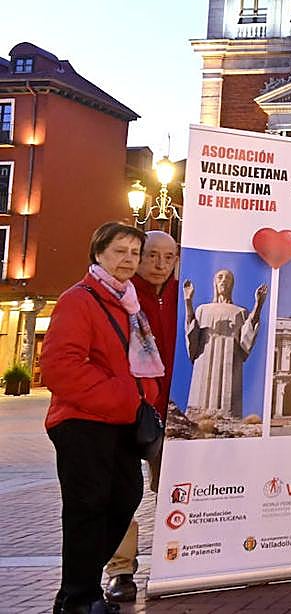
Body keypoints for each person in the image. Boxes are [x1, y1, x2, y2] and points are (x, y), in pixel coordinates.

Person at [42, 222, 164, 614]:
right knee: (87, 507)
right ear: (98, 254)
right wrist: (126, 398)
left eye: (134, 253)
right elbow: (60, 367)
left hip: (119, 422)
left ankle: (81, 587)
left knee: (125, 496)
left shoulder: (129, 302)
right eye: (119, 252)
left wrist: (141, 397)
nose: (128, 260)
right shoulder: (79, 300)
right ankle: (79, 598)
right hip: (82, 422)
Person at [103, 230, 178, 605]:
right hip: (128, 413)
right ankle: (120, 570)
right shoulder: (119, 295)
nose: (160, 265)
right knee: (122, 495)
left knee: (175, 493)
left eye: (168, 257)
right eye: (152, 256)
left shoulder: (186, 294)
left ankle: (175, 561)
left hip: (174, 417)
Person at [182, 268, 267, 417]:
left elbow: (247, 337)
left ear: (232, 285)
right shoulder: (203, 310)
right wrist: (188, 302)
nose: (223, 281)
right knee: (200, 403)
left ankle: (227, 419)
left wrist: (258, 305)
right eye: (220, 277)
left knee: (228, 403)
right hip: (205, 358)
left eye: (228, 279)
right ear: (214, 282)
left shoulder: (239, 312)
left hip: (230, 360)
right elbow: (192, 333)